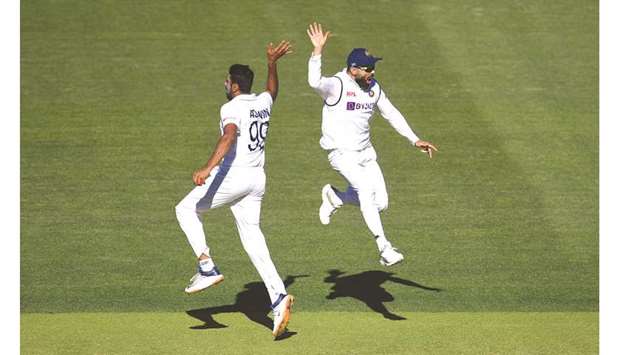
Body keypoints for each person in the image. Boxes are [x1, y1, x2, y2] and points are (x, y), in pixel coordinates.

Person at [175, 40, 293, 338]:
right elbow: (273, 91)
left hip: (234, 178)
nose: (224, 83)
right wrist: (272, 64)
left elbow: (228, 137)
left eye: (227, 80)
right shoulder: (262, 102)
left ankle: (206, 266)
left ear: (235, 86)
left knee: (185, 209)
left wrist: (206, 167)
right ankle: (278, 297)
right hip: (257, 181)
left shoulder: (231, 107)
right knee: (252, 238)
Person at [306, 23, 438, 267]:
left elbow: (391, 113)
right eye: (368, 69)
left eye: (374, 68)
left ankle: (336, 197)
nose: (372, 73)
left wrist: (414, 138)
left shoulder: (373, 88)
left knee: (381, 203)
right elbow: (314, 82)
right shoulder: (337, 85)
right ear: (353, 69)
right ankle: (384, 248)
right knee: (366, 193)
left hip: (366, 153)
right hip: (341, 153)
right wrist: (317, 52)